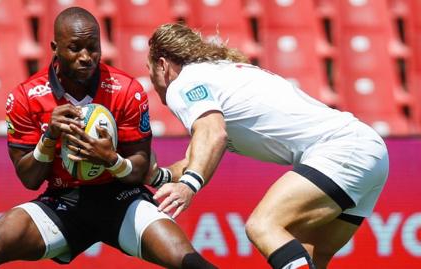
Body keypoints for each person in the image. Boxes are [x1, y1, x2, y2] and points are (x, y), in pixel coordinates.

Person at [0, 9, 217, 269]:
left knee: (188, 261)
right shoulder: (25, 97)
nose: (85, 57)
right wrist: (49, 137)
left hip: (122, 197)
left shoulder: (126, 90)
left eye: (92, 48)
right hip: (63, 201)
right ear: (55, 48)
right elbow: (29, 179)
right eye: (75, 48)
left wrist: (110, 159)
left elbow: (140, 168)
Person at [146, 23, 389, 269]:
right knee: (308, 252)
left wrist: (188, 186)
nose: (153, 84)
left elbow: (214, 133)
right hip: (369, 149)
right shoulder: (216, 74)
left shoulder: (183, 83)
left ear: (163, 65)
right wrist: (158, 176)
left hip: (341, 149)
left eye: (149, 71)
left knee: (263, 225)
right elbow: (196, 159)